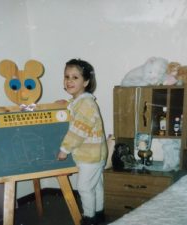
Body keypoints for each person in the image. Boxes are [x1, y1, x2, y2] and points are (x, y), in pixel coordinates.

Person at [57, 59, 108, 225]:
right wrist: (66, 104)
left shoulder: (85, 103)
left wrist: (65, 149)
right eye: (67, 77)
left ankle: (89, 219)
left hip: (89, 155)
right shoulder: (81, 101)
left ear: (86, 81)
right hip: (95, 153)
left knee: (85, 188)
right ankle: (99, 214)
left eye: (75, 77)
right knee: (96, 186)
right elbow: (77, 112)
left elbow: (78, 129)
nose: (69, 81)